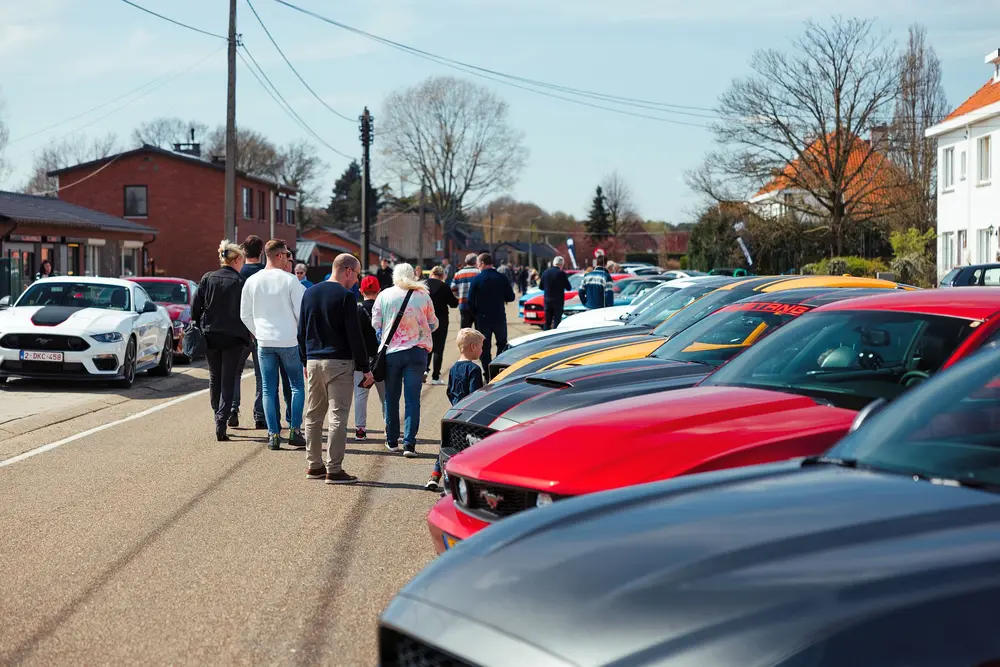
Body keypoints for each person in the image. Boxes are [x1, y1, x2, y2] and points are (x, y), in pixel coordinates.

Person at [298, 253, 372, 484]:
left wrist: (304, 359)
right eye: (357, 274)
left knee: (313, 415)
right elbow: (354, 334)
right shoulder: (346, 296)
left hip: (313, 360)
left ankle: (314, 465)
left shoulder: (309, 293)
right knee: (338, 416)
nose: (357, 280)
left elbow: (301, 330)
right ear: (348, 270)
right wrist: (365, 367)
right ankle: (334, 469)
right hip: (339, 361)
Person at [240, 239, 307, 451]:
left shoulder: (252, 281)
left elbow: (244, 314)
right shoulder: (290, 280)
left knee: (268, 389)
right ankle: (295, 430)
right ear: (279, 255)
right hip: (288, 340)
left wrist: (258, 332)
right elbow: (301, 313)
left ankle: (273, 434)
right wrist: (296, 331)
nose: (288, 258)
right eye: (286, 254)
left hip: (264, 341)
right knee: (296, 386)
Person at [372, 263, 438, 457]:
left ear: (394, 275)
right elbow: (433, 323)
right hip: (417, 352)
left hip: (392, 352)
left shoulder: (384, 295)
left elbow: (375, 323)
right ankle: (409, 444)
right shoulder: (423, 295)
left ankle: (392, 441)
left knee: (391, 398)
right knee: (412, 399)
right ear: (413, 275)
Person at [191, 240, 250, 441]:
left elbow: (195, 306)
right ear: (237, 259)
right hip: (234, 336)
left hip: (210, 334)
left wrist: (198, 324)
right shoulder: (241, 282)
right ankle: (222, 419)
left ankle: (217, 414)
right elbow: (247, 311)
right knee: (228, 378)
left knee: (214, 376)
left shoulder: (208, 278)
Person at [232, 235, 292, 430]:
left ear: (243, 251)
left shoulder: (238, 273)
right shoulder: (268, 272)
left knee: (235, 373)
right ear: (261, 252)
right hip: (264, 332)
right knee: (263, 377)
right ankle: (260, 416)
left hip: (240, 330)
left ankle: (233, 409)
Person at [425, 328, 484, 490]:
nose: (482, 350)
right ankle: (459, 482)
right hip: (468, 414)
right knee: (466, 447)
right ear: (473, 347)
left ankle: (435, 476)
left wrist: (455, 404)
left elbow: (449, 391)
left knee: (446, 444)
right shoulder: (474, 370)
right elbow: (475, 395)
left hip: (454, 412)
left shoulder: (453, 368)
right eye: (481, 347)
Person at [467, 253, 515, 382]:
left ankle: (487, 375)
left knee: (484, 347)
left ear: (482, 263)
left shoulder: (476, 279)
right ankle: (498, 372)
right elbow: (511, 297)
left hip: (483, 318)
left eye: (478, 264)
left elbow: (470, 302)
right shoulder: (501, 278)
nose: (477, 266)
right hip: (499, 316)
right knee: (502, 344)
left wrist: (476, 314)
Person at [354, 275, 386, 440]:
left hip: (362, 359)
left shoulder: (357, 310)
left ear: (361, 291)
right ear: (379, 290)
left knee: (360, 395)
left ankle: (360, 429)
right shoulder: (384, 309)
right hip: (382, 359)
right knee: (385, 396)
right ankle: (389, 428)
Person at [425, 265, 459, 385]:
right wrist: (456, 297)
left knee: (426, 346)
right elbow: (453, 304)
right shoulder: (444, 286)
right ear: (442, 275)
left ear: (431, 273)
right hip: (441, 320)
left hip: (425, 320)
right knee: (438, 349)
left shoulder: (423, 285)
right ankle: (435, 376)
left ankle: (424, 370)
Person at [539, 256, 573, 330]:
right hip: (558, 301)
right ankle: (555, 335)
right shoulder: (562, 273)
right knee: (557, 322)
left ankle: (546, 335)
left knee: (547, 322)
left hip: (547, 301)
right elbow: (569, 288)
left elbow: (541, 287)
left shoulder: (545, 272)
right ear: (561, 264)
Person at [451, 253, 480, 329]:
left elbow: (453, 289)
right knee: (479, 331)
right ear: (476, 261)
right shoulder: (479, 272)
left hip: (463, 305)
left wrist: (460, 295)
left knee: (465, 331)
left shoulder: (458, 274)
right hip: (478, 306)